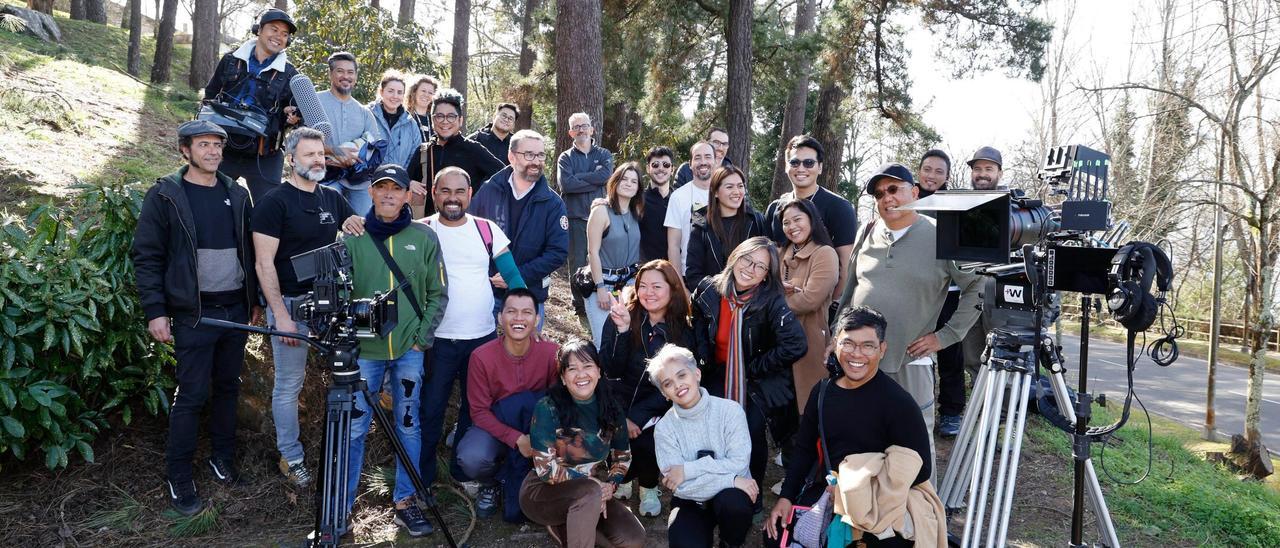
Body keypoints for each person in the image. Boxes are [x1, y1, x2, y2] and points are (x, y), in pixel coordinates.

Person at [132, 120, 258, 515]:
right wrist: (157, 311)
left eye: (217, 144)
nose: (213, 151)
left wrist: (253, 299)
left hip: (234, 309)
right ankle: (179, 475)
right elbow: (147, 256)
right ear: (185, 150)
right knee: (191, 395)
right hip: (193, 313)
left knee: (228, 388)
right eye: (204, 144)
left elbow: (251, 252)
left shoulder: (236, 193)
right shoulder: (167, 195)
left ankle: (222, 459)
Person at [834, 163, 982, 480]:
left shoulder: (943, 235)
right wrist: (837, 337)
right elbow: (849, 291)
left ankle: (920, 520)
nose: (886, 198)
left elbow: (977, 287)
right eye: (878, 193)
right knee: (863, 439)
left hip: (909, 363)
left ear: (914, 193)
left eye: (893, 189)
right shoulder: (867, 231)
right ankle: (869, 517)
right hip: (859, 362)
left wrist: (946, 336)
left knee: (913, 445)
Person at [766, 307, 933, 547]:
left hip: (878, 500)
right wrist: (787, 497)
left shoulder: (899, 404)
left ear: (882, 349)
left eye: (868, 345)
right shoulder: (822, 393)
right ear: (835, 344)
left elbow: (921, 469)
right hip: (828, 491)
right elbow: (804, 450)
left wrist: (855, 487)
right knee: (775, 536)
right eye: (848, 344)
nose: (857, 354)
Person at [340, 164, 447, 537]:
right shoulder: (352, 236)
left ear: (407, 195)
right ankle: (342, 508)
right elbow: (338, 294)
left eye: (395, 189)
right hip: (364, 352)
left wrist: (421, 338)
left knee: (408, 423)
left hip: (409, 349)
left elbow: (438, 293)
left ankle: (405, 502)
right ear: (371, 192)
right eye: (381, 187)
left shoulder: (424, 237)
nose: (388, 194)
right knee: (353, 427)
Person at [252, 127, 357, 487]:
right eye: (309, 154)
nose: (316, 160)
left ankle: (346, 446)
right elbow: (264, 264)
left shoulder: (332, 198)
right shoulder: (273, 203)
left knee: (348, 375)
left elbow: (358, 228)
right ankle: (291, 456)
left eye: (320, 154)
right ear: (291, 159)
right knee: (289, 384)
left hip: (332, 304)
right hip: (292, 306)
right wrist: (281, 315)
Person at [418, 166, 527, 494]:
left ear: (470, 195)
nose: (453, 198)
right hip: (435, 339)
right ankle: (421, 478)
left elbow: (514, 279)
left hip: (481, 341)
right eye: (445, 191)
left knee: (473, 408)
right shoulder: (421, 230)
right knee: (431, 409)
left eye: (459, 191)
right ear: (435, 194)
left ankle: (461, 472)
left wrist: (525, 320)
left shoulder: (486, 230)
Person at [691, 237, 807, 489]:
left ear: (766, 276)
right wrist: (703, 355)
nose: (750, 269)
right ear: (734, 258)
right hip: (718, 371)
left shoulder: (771, 301)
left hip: (756, 378)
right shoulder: (709, 289)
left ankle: (751, 491)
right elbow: (698, 316)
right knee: (714, 426)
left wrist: (754, 366)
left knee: (751, 430)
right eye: (747, 259)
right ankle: (716, 482)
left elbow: (796, 344)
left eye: (760, 266)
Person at [519, 339, 647, 548]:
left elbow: (622, 455)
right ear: (562, 377)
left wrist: (610, 486)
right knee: (587, 493)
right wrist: (594, 486)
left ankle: (565, 527)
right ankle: (563, 523)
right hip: (542, 491)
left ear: (598, 371)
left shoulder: (611, 408)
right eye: (572, 369)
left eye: (587, 366)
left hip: (591, 490)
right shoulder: (548, 408)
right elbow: (545, 469)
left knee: (633, 540)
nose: (581, 374)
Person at [599, 259, 694, 517]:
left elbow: (675, 386)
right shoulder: (623, 314)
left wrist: (637, 416)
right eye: (643, 286)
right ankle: (624, 478)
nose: (648, 293)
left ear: (672, 289)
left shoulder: (683, 329)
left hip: (657, 403)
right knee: (617, 435)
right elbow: (610, 369)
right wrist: (622, 330)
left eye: (657, 286)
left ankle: (649, 487)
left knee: (647, 442)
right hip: (618, 398)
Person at [458, 288, 560, 522]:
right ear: (499, 317)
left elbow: (560, 401)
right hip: (496, 425)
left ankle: (541, 485)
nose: (518, 318)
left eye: (526, 313)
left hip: (539, 426)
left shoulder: (551, 353)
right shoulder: (481, 357)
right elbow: (479, 412)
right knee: (472, 457)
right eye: (511, 312)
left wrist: (539, 437)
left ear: (537, 319)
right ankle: (491, 483)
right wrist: (516, 438)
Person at [648, 344, 755, 548]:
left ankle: (728, 543)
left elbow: (739, 463)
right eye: (668, 383)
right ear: (664, 393)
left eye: (682, 375)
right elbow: (680, 485)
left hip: (730, 496)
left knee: (735, 505)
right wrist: (732, 479)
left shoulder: (730, 411)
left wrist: (687, 470)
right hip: (690, 501)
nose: (678, 385)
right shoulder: (664, 429)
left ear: (696, 374)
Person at [470, 129, 570, 326]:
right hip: (487, 295)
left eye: (541, 155)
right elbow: (472, 235)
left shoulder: (553, 203)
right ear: (512, 157)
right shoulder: (489, 190)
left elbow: (557, 253)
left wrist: (516, 275)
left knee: (524, 355)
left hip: (528, 296)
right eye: (529, 154)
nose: (536, 161)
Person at [202, 8, 300, 203]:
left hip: (264, 156)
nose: (278, 37)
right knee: (207, 203)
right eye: (274, 29)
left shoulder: (291, 75)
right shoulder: (230, 60)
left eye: (284, 34)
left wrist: (292, 116)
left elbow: (297, 114)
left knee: (268, 213)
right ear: (259, 30)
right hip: (223, 150)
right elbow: (210, 95)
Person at [764, 135, 857, 297]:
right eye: (794, 162)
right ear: (786, 166)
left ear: (820, 167)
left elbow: (846, 265)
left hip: (819, 309)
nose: (801, 168)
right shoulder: (774, 208)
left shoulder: (839, 207)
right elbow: (767, 258)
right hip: (776, 304)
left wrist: (831, 307)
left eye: (808, 163)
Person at [915, 149, 966, 437]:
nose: (931, 175)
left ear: (946, 176)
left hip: (950, 289)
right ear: (919, 171)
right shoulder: (906, 200)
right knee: (914, 348)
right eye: (927, 169)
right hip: (917, 289)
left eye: (938, 171)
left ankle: (950, 412)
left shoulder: (955, 205)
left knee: (949, 350)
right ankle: (914, 406)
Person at [777, 198, 840, 414]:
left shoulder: (824, 253)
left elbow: (811, 299)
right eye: (786, 222)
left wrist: (775, 302)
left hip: (810, 341)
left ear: (811, 219)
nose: (792, 227)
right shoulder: (778, 254)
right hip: (778, 343)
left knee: (810, 406)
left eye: (797, 219)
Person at [406, 88, 504, 218]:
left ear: (460, 120)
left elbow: (504, 176)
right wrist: (409, 183)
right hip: (428, 229)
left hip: (463, 226)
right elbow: (404, 181)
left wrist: (480, 200)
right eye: (439, 116)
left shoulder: (472, 149)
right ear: (432, 120)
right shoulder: (424, 151)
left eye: (451, 116)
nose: (445, 121)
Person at [556, 112, 616, 320]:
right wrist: (594, 179)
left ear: (592, 129)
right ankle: (579, 303)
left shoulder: (604, 154)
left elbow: (606, 177)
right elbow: (566, 184)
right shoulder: (565, 157)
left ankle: (603, 296)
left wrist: (579, 178)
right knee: (578, 260)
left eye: (585, 126)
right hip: (575, 217)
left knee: (602, 258)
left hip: (601, 218)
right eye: (577, 127)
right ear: (571, 132)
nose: (581, 129)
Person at [585, 163, 644, 347]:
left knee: (625, 338)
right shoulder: (601, 211)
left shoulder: (636, 212)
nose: (629, 184)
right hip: (602, 283)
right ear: (615, 182)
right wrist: (600, 288)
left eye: (634, 181)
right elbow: (592, 252)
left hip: (627, 286)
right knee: (603, 339)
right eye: (624, 179)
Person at [683, 166, 766, 289]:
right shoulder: (702, 225)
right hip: (714, 300)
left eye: (740, 186)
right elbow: (693, 275)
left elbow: (767, 264)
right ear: (715, 192)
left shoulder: (756, 220)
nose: (737, 191)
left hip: (752, 301)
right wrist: (724, 289)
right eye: (729, 187)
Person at [664, 141, 715, 277]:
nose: (703, 162)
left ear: (715, 161)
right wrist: (679, 283)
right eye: (697, 158)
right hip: (690, 275)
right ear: (690, 164)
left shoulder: (726, 193)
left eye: (708, 157)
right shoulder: (678, 197)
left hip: (722, 277)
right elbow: (673, 246)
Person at [368, 70, 423, 170]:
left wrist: (401, 178)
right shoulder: (367, 115)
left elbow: (415, 156)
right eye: (390, 91)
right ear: (381, 91)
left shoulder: (411, 123)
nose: (395, 96)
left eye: (399, 92)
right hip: (367, 181)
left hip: (399, 182)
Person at [639, 146, 676, 263]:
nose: (661, 169)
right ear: (647, 168)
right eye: (655, 165)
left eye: (666, 165)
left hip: (675, 269)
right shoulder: (638, 199)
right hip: (646, 269)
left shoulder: (680, 200)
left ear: (672, 169)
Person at [406, 74, 440, 142]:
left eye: (430, 92)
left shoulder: (436, 119)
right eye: (423, 91)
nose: (426, 95)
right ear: (414, 92)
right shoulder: (405, 117)